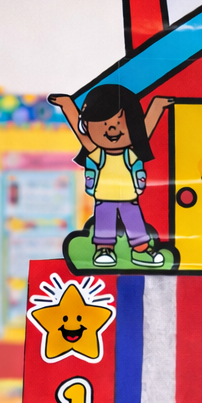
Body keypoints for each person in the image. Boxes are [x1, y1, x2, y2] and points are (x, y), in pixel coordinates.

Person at [49, 84, 172, 266]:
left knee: (135, 224)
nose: (113, 130)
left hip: (129, 197)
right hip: (104, 197)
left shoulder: (130, 154)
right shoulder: (98, 153)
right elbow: (81, 134)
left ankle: (141, 251)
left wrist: (156, 106)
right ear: (87, 125)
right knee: (104, 225)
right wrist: (67, 105)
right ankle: (104, 250)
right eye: (105, 124)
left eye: (119, 123)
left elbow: (143, 134)